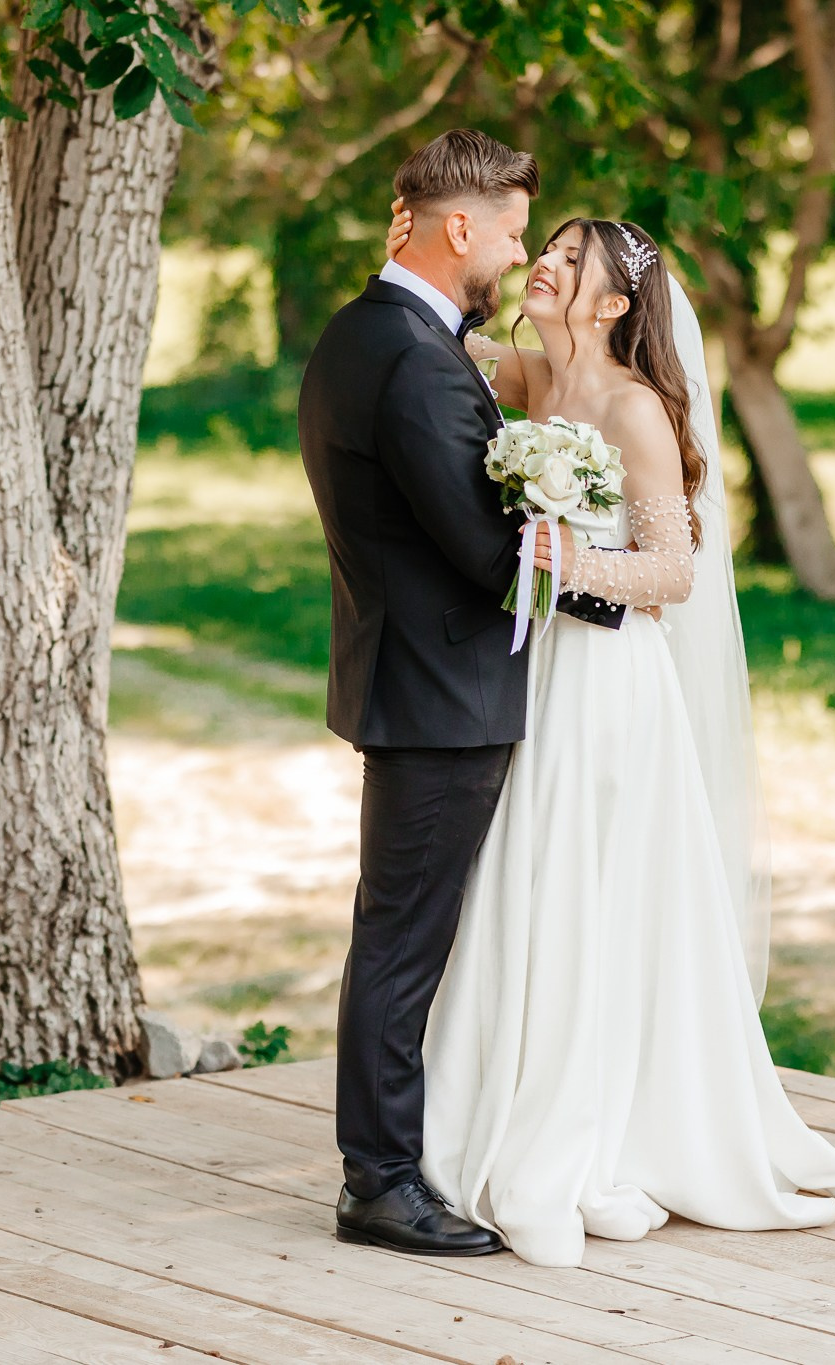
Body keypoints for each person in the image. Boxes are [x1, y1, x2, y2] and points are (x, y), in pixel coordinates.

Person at [381, 201, 835, 1267]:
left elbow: (674, 572)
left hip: (604, 680)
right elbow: (433, 337)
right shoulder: (528, 376)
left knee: (585, 879)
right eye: (548, 250)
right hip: (526, 670)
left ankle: (600, 1121)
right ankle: (490, 1096)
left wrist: (571, 563)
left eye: (572, 260)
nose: (547, 265)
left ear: (613, 304)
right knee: (518, 876)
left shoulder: (634, 408)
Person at [299, 128, 625, 1258]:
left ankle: (403, 1155)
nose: (519, 254)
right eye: (513, 233)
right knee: (402, 943)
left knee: (400, 934)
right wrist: (624, 592)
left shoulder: (368, 333)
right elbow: (489, 555)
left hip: (410, 673)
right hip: (440, 690)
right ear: (457, 228)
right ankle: (380, 1181)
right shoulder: (413, 359)